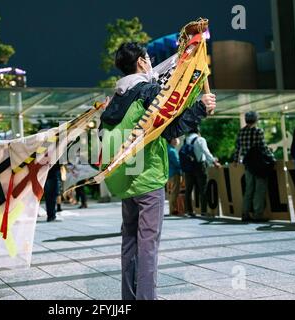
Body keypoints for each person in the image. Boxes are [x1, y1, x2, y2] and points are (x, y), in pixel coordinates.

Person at [100, 42, 216, 300]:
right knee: (148, 245)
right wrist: (200, 107)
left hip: (124, 179)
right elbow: (171, 129)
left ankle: (128, 299)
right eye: (148, 57)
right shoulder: (148, 91)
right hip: (148, 178)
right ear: (141, 62)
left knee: (129, 242)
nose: (151, 61)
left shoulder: (116, 98)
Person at [233, 111, 276, 222]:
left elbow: (238, 148)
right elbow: (263, 147)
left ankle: (245, 213)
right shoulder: (258, 131)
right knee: (259, 189)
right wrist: (272, 158)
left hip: (247, 163)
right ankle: (258, 214)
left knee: (249, 189)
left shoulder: (241, 132)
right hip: (258, 164)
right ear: (256, 120)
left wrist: (235, 160)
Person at [183, 128, 221, 217]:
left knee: (188, 189)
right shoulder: (200, 139)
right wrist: (214, 161)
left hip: (189, 167)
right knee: (202, 188)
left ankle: (189, 211)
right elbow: (206, 151)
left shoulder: (186, 140)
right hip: (200, 166)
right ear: (198, 132)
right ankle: (203, 211)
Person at [167, 138, 182, 215]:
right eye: (175, 139)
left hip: (169, 173)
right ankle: (173, 210)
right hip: (175, 173)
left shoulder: (167, 148)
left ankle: (172, 209)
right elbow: (177, 162)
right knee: (174, 192)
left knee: (171, 192)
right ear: (171, 140)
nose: (177, 140)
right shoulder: (172, 150)